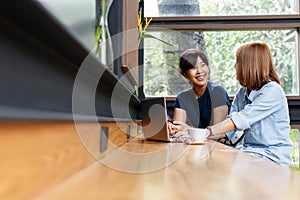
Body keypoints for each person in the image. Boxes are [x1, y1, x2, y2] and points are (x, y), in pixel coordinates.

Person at [206, 41, 293, 167]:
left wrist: (207, 132)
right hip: (250, 152)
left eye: (238, 62)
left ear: (249, 65)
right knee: (211, 158)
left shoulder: (273, 91)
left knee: (220, 164)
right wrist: (195, 135)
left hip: (272, 156)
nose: (235, 66)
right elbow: (230, 130)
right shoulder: (242, 93)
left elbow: (240, 120)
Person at [168, 49, 231, 137]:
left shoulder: (218, 92)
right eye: (193, 67)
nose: (199, 71)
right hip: (193, 144)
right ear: (185, 74)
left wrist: (188, 131)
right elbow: (178, 130)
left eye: (202, 65)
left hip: (216, 146)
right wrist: (173, 129)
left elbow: (218, 133)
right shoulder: (182, 97)